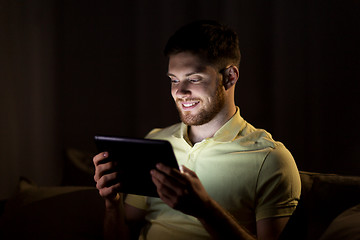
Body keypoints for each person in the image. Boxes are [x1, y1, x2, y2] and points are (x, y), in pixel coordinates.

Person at [93, 20, 301, 240]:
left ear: (230, 77)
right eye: (174, 80)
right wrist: (112, 204)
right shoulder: (155, 142)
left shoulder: (270, 159)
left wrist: (204, 210)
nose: (180, 92)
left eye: (193, 79)